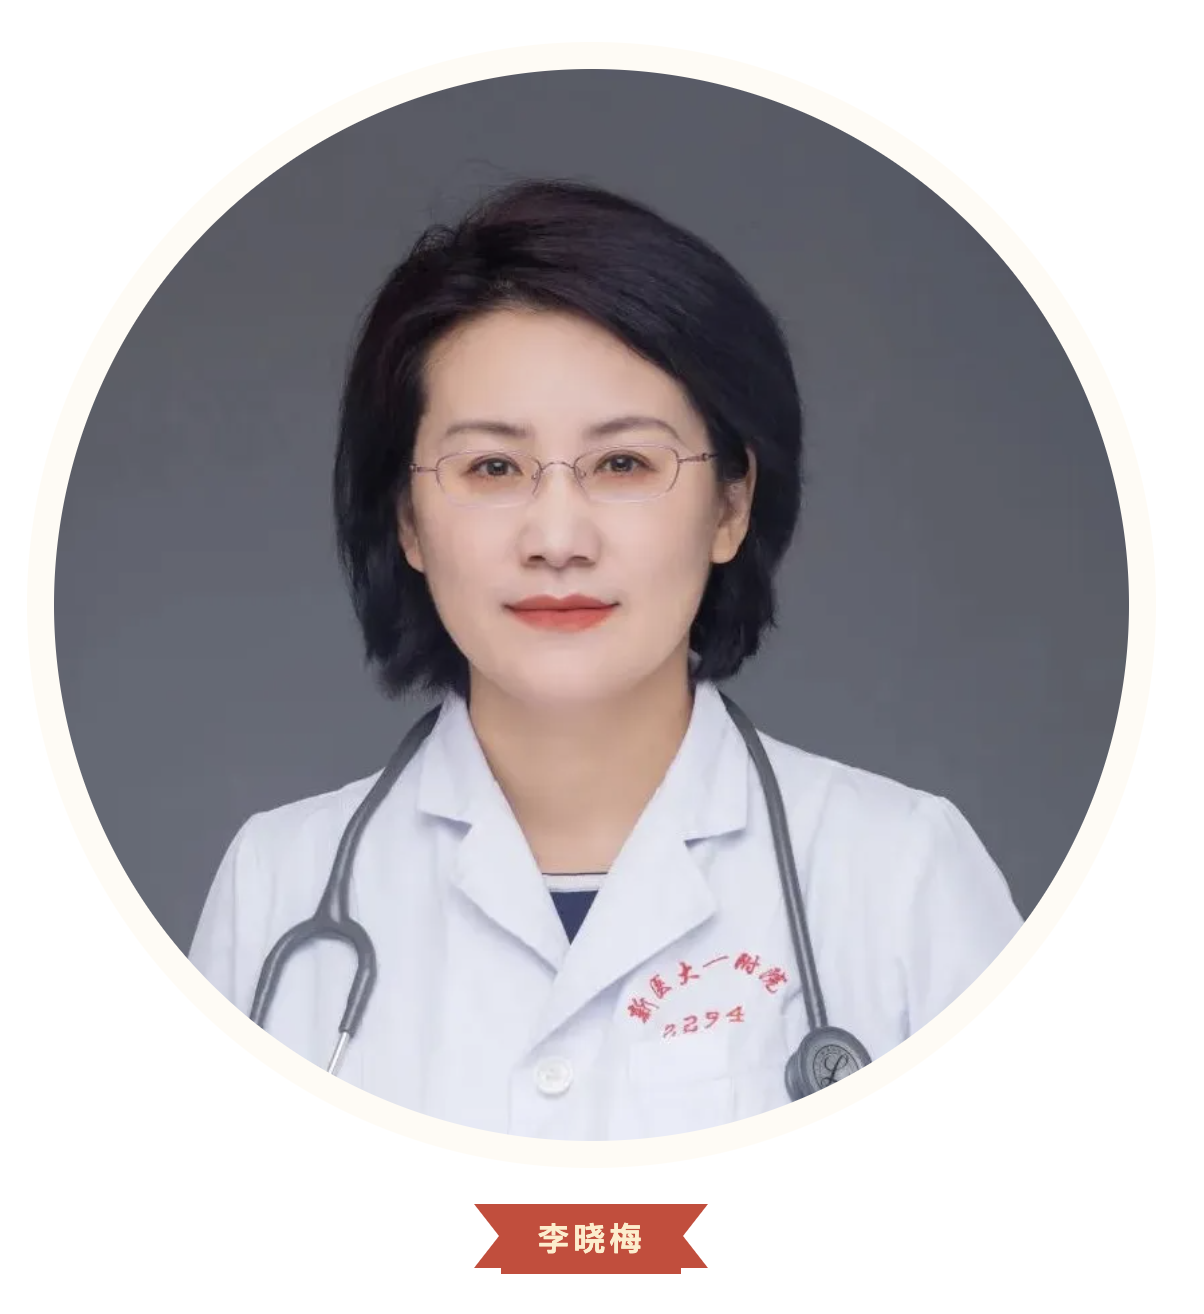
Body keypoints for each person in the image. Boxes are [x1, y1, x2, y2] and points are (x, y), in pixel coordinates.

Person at [189, 178, 1022, 1140]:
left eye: (624, 464)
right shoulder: (276, 885)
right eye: (491, 468)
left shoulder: (903, 872)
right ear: (407, 520)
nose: (557, 538)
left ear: (731, 506)